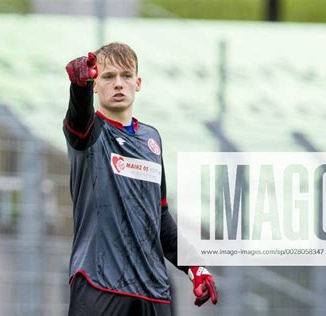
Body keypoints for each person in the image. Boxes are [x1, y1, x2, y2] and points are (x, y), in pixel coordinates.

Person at [63, 42, 218, 316]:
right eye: (108, 77)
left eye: (125, 75)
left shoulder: (151, 139)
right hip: (99, 284)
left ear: (138, 83)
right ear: (96, 85)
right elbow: (78, 116)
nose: (118, 84)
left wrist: (194, 265)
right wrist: (79, 86)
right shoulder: (89, 132)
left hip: (152, 291)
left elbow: (159, 216)